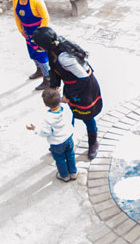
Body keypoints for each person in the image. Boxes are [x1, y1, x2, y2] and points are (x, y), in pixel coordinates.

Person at [32, 27, 104, 160]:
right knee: (67, 115)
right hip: (72, 85)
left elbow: (84, 78)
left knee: (87, 118)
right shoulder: (53, 49)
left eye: (37, 43)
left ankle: (93, 143)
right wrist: (54, 87)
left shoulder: (64, 58)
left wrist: (68, 96)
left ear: (44, 45)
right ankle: (64, 142)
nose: (35, 46)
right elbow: (54, 70)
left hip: (84, 88)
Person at [26, 88, 78, 182]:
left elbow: (45, 132)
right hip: (68, 138)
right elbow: (70, 117)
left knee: (60, 159)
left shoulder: (47, 117)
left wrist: (34, 128)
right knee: (70, 155)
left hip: (57, 143)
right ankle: (73, 173)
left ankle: (64, 175)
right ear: (59, 99)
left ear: (45, 104)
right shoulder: (66, 107)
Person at [12, 0, 51, 90]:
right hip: (27, 31)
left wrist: (39, 35)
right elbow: (16, 14)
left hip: (38, 32)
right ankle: (39, 70)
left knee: (41, 55)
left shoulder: (36, 1)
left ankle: (47, 78)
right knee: (32, 53)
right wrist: (21, 30)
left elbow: (45, 18)